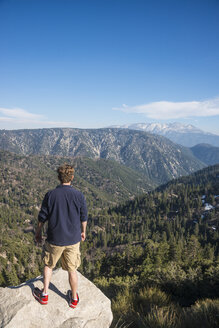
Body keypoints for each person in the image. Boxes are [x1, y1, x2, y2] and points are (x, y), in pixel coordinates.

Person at [33, 164, 88, 308]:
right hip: (73, 239)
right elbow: (84, 217)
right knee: (72, 270)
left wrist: (38, 233)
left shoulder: (51, 195)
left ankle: (44, 294)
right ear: (72, 177)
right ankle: (74, 298)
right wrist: (83, 231)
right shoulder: (79, 195)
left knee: (48, 265)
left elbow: (42, 217)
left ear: (58, 177)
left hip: (55, 238)